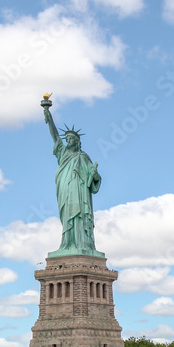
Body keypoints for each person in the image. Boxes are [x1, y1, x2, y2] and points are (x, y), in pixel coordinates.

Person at [42, 97, 101, 255]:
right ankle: (67, 244)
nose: (68, 141)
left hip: (81, 191)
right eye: (66, 139)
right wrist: (49, 116)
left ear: (77, 141)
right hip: (66, 187)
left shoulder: (84, 157)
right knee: (68, 213)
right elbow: (55, 136)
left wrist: (94, 175)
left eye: (71, 139)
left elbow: (94, 179)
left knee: (81, 214)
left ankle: (84, 244)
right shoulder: (63, 152)